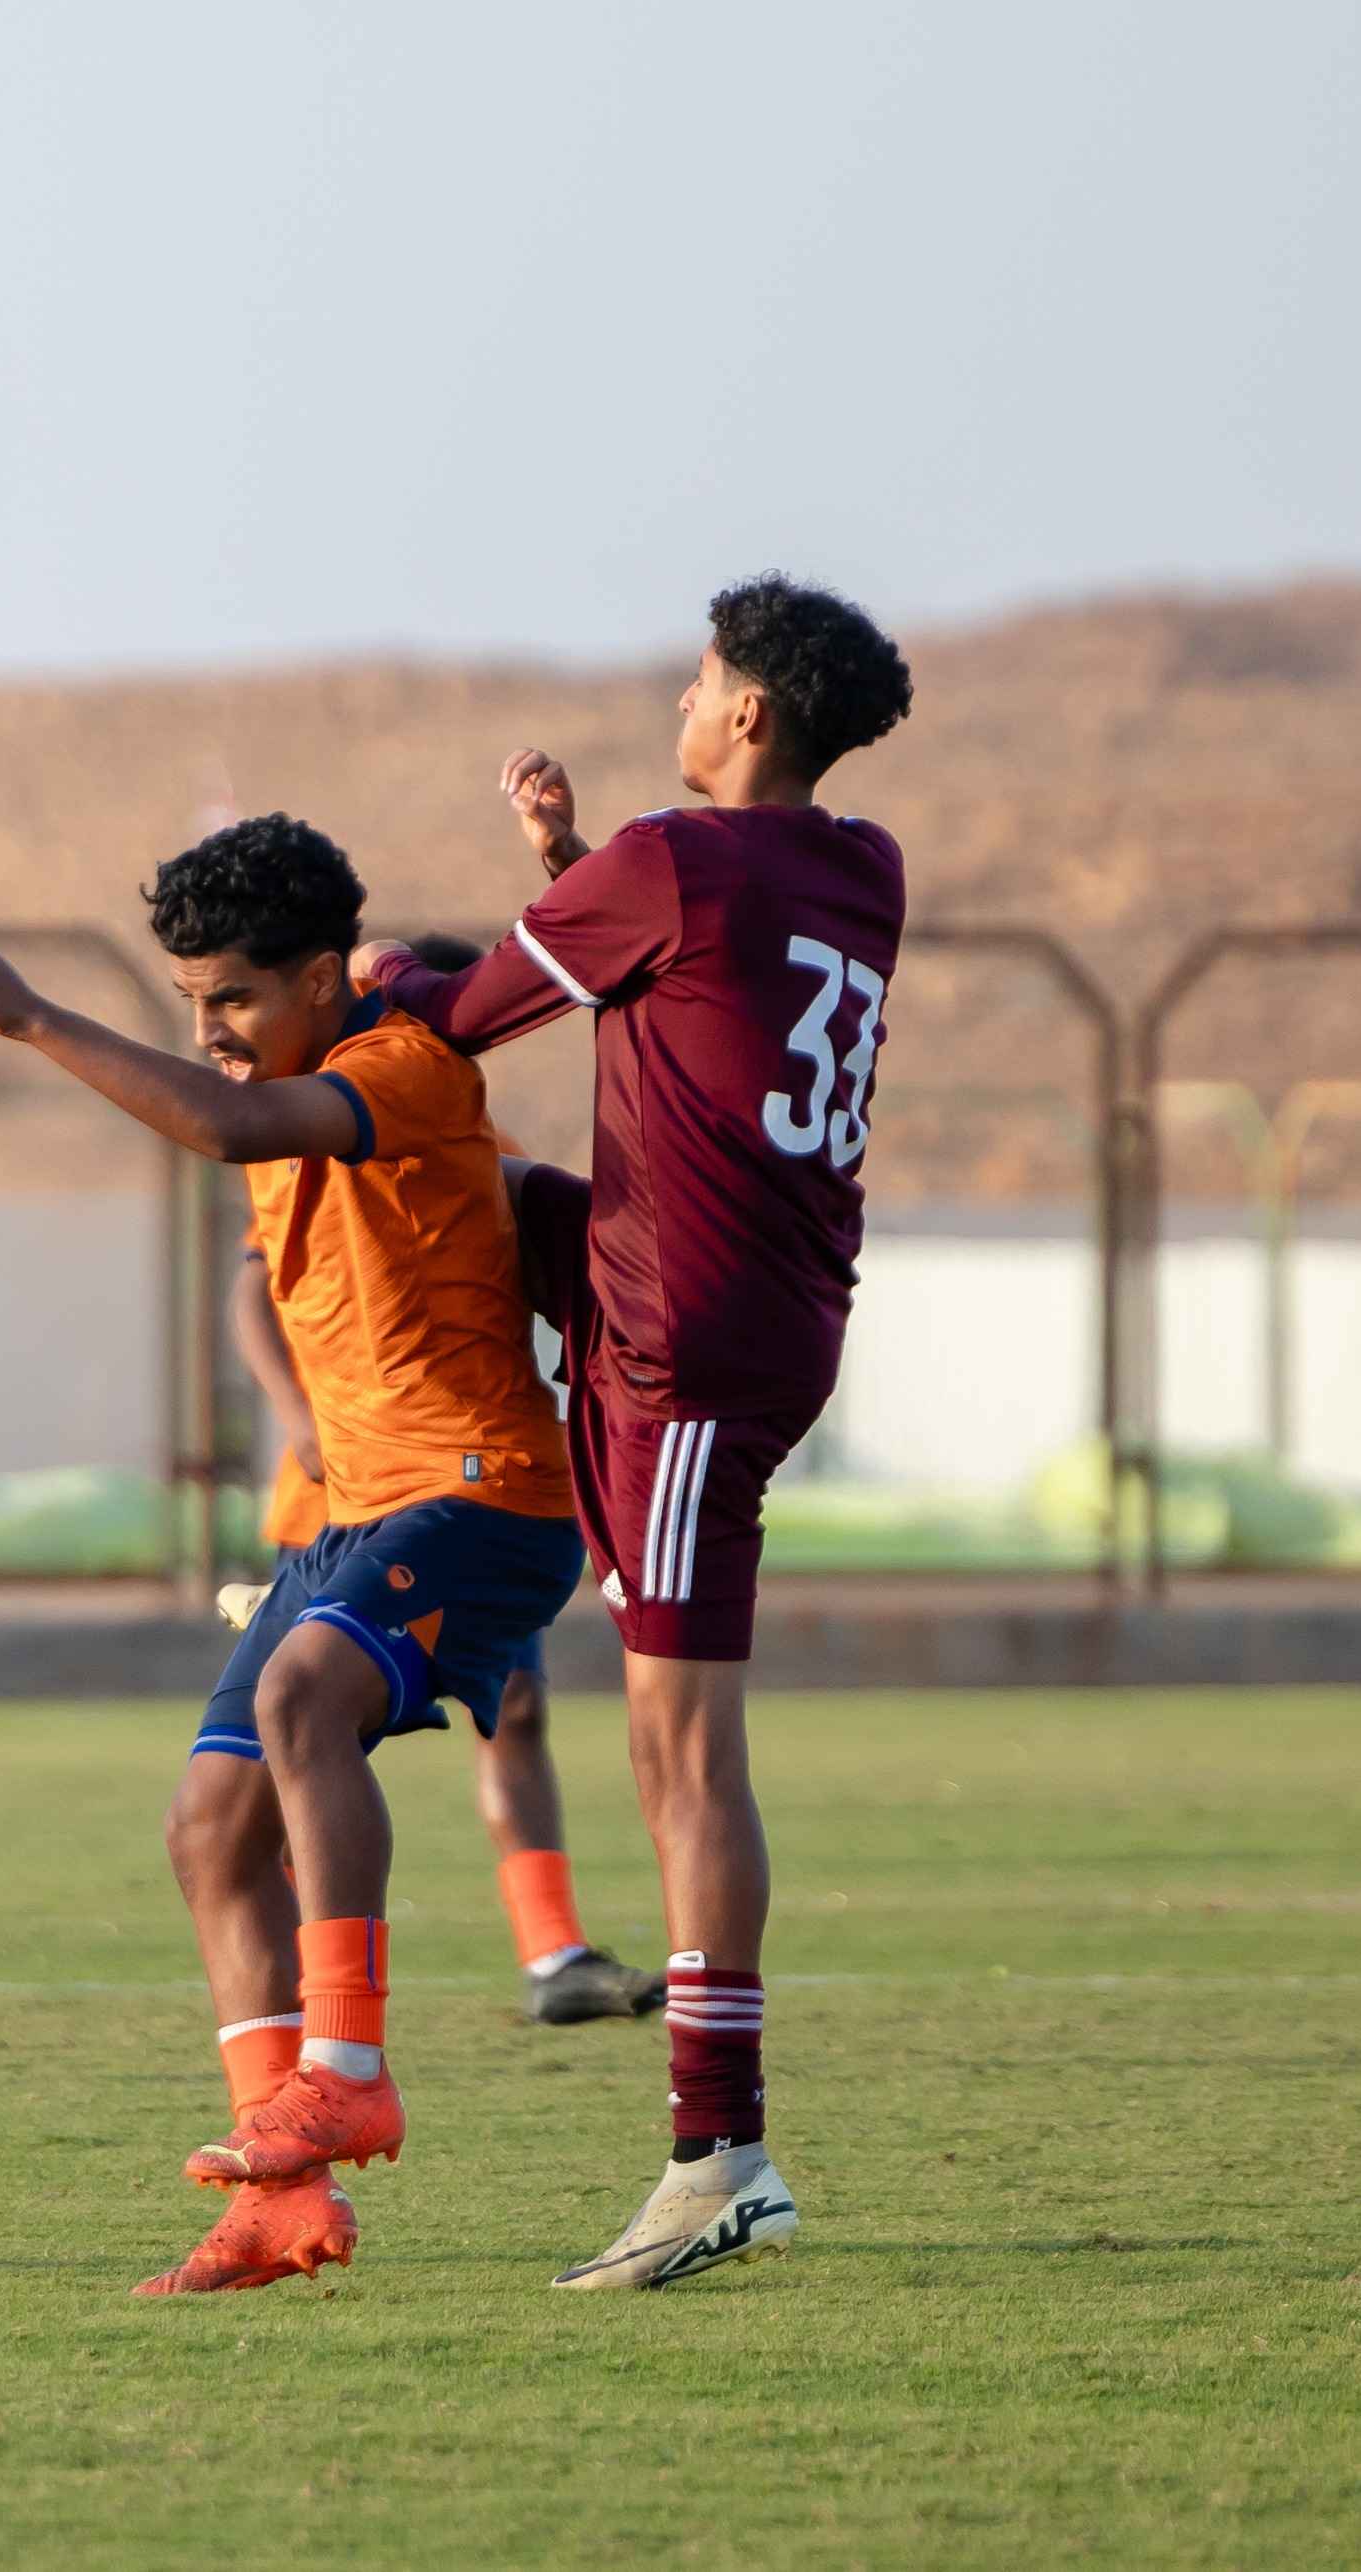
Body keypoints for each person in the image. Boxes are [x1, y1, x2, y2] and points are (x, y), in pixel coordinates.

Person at [0, 818, 587, 2296]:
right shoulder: (288, 1083)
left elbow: (224, 1131)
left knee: (300, 1706)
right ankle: (280, 2198)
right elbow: (263, 1255)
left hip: (484, 1495)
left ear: (327, 978)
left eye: (231, 999)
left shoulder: (391, 1073)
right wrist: (295, 1415)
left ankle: (349, 2065)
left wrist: (29, 1018)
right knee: (208, 1831)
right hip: (356, 1516)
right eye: (187, 1002)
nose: (206, 1032)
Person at [356, 575, 913, 2291]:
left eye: (694, 680)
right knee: (470, 1197)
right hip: (746, 1308)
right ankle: (441, 1484)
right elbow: (676, 994)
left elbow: (452, 1018)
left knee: (680, 1756)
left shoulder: (673, 859)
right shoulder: (855, 864)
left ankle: (715, 2149)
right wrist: (563, 869)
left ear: (744, 712)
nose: (679, 699)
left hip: (681, 1344)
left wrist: (351, 966)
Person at [224, 933, 660, 2030]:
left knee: (509, 1709)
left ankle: (550, 1953)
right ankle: (299, 1986)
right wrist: (300, 1416)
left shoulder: (468, 1134)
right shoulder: (310, 1117)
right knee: (285, 1741)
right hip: (341, 1491)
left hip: (463, 1482)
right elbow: (251, 1293)